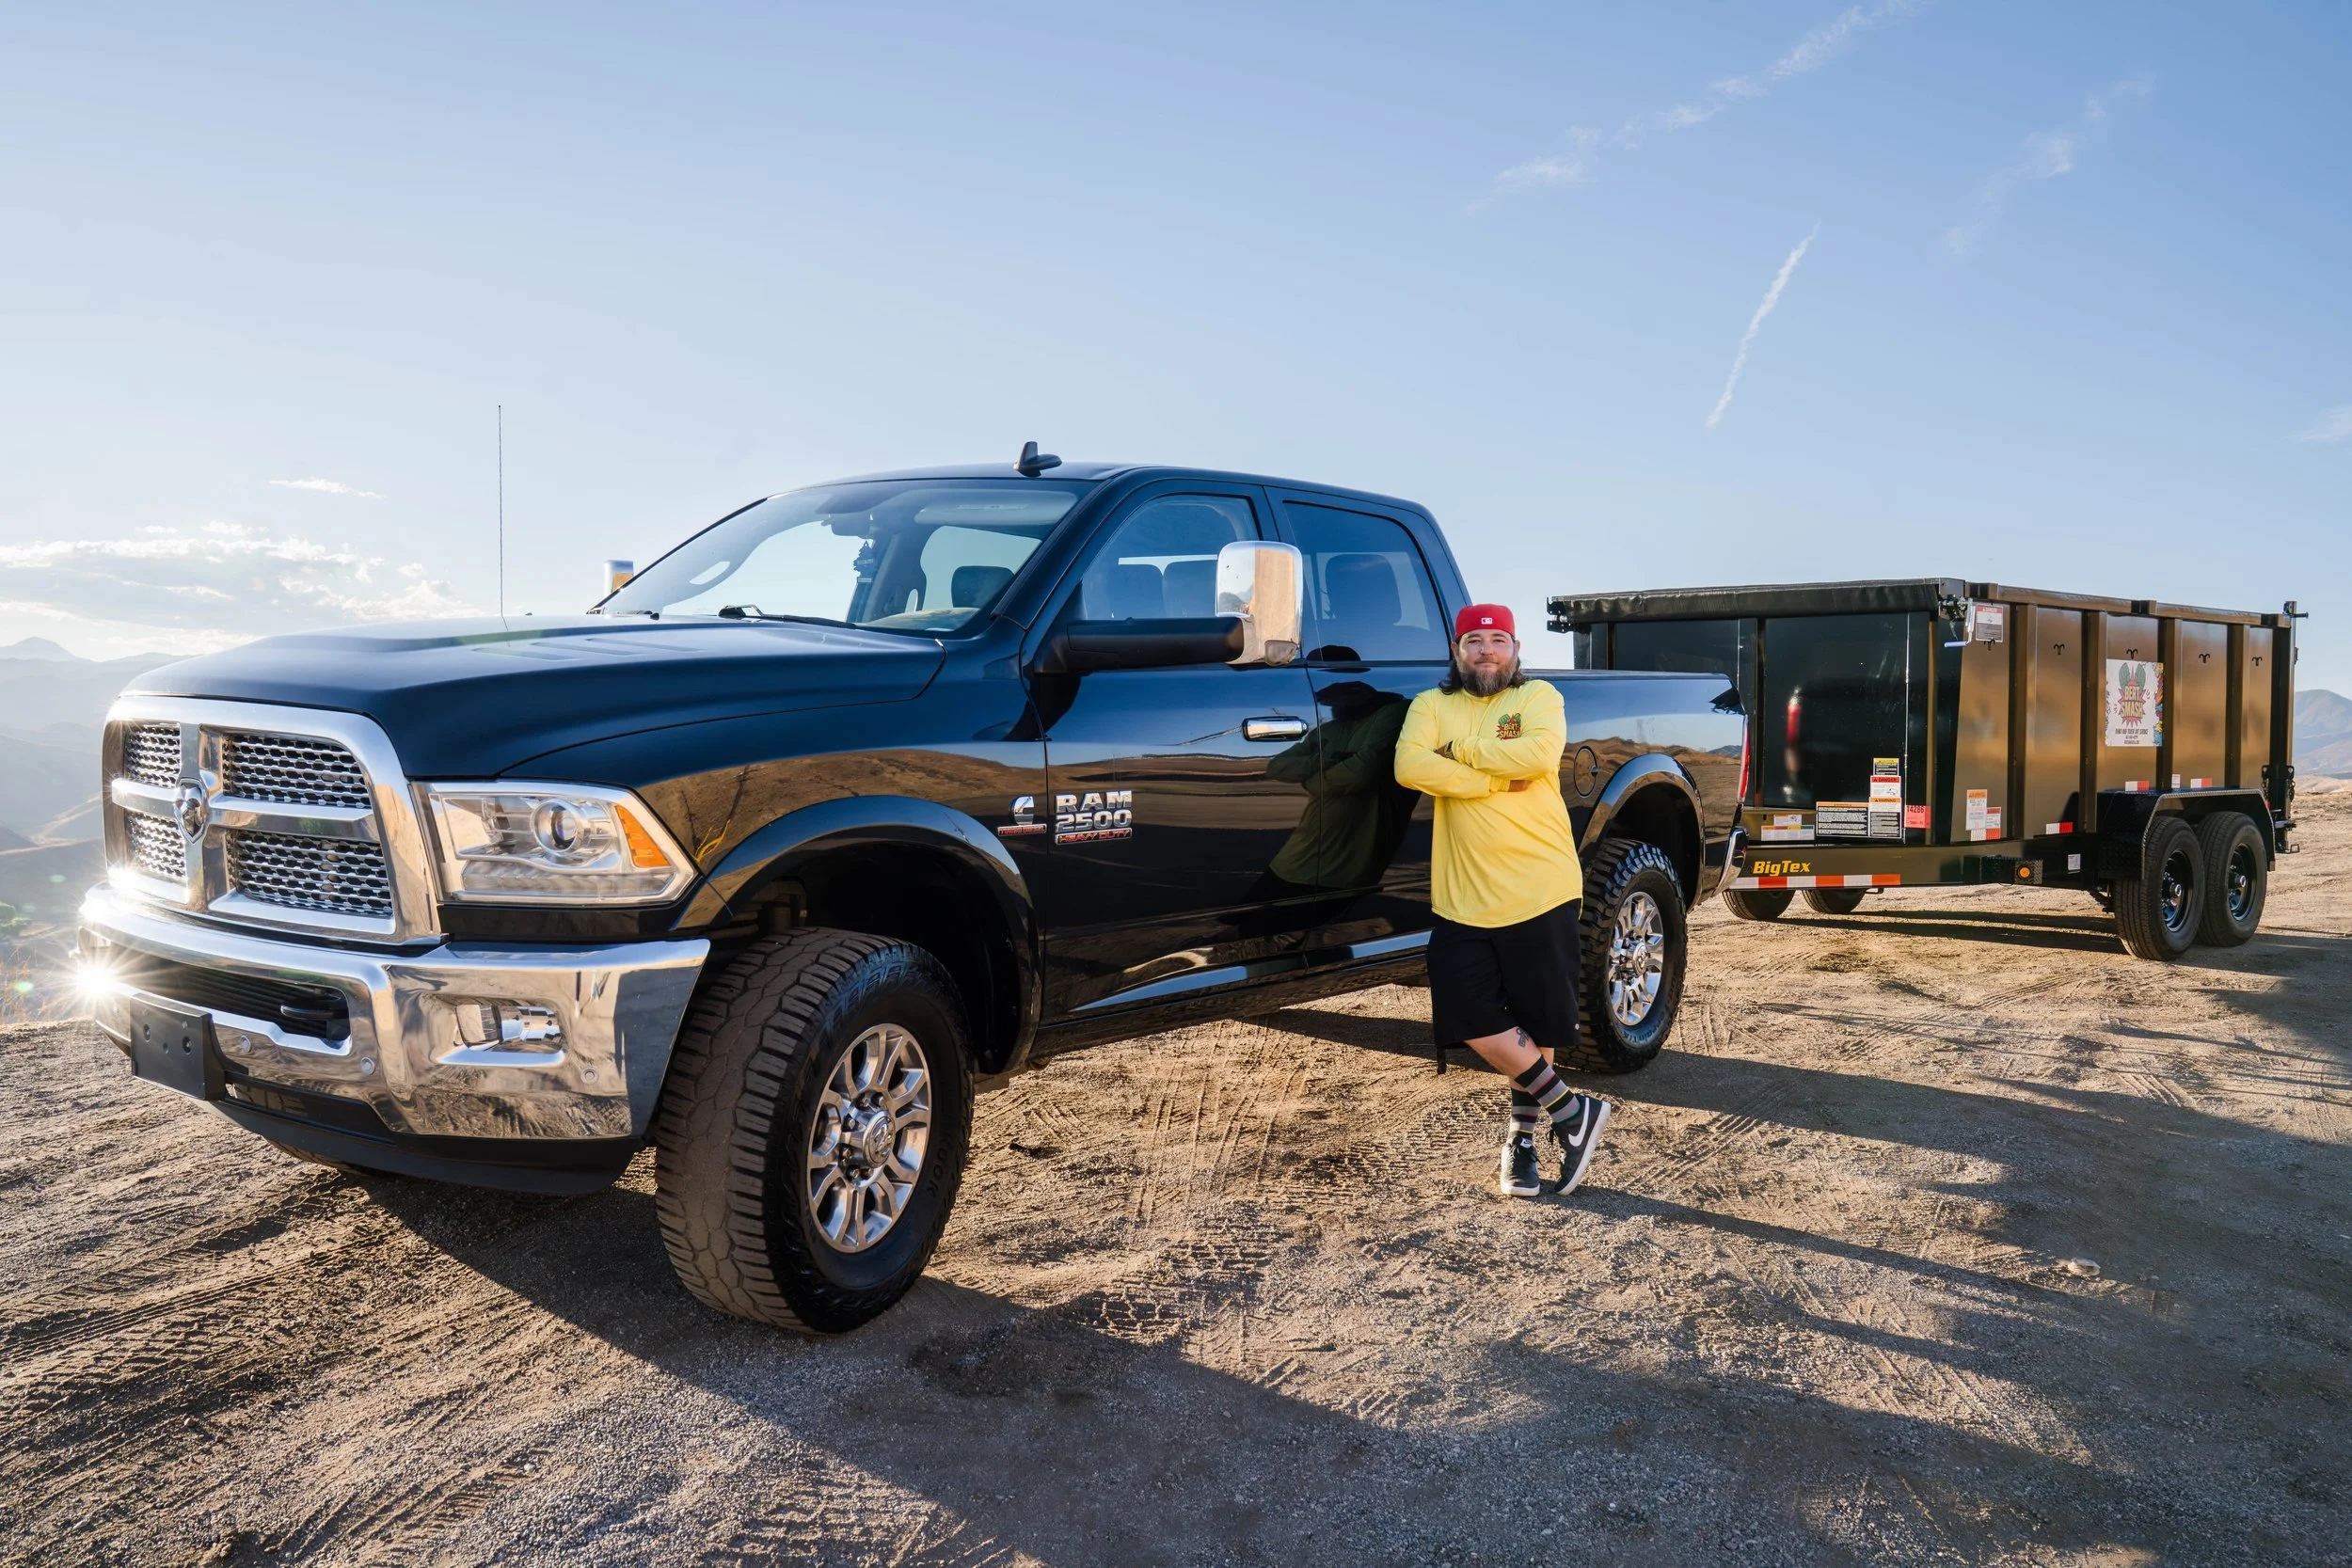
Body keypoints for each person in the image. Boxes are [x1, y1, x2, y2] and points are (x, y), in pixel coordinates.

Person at [1393, 603, 1611, 1199]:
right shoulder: (1431, 706)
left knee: (1535, 1021)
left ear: (1515, 649)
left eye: (1497, 640)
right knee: (1471, 1014)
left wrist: (1456, 755)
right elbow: (1409, 764)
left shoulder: (1539, 697)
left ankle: (1522, 1144)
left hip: (1539, 884)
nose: (1486, 651)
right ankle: (1572, 1112)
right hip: (1464, 895)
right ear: (1456, 652)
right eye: (1473, 641)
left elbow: (1538, 757)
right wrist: (1490, 777)